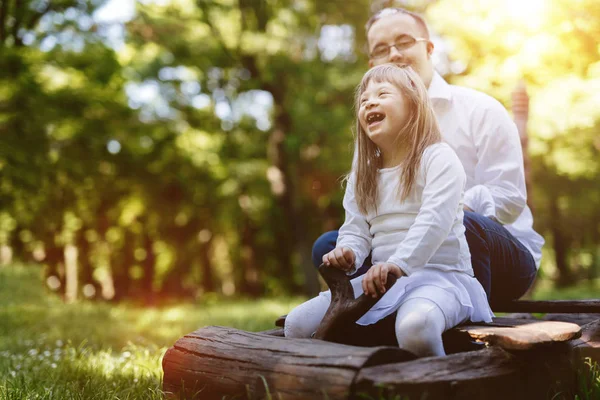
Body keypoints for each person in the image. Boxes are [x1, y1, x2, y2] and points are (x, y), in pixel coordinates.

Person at [312, 7, 544, 307]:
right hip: (402, 248)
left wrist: (447, 205)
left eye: (404, 41)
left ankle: (463, 317)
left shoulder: (481, 110)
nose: (394, 54)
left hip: (495, 257)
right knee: (329, 247)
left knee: (461, 222)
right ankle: (385, 307)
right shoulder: (374, 130)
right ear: (373, 64)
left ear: (429, 47)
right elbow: (364, 212)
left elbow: (511, 199)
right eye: (382, 49)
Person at [285, 64, 493, 357]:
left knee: (415, 328)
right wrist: (348, 253)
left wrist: (398, 264)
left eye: (383, 94)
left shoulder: (438, 157)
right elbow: (356, 231)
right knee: (296, 325)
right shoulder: (363, 175)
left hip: (441, 277)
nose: (369, 102)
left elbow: (434, 221)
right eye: (364, 100)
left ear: (413, 106)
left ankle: (439, 386)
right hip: (384, 282)